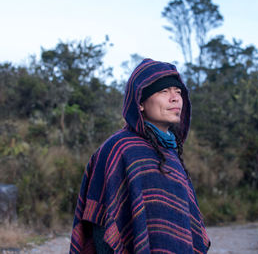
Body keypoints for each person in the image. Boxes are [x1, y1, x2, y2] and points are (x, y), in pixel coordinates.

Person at [70, 59, 210, 253]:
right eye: (164, 91)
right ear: (140, 103)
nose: (175, 98)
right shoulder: (120, 149)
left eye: (178, 92)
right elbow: (103, 225)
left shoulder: (171, 154)